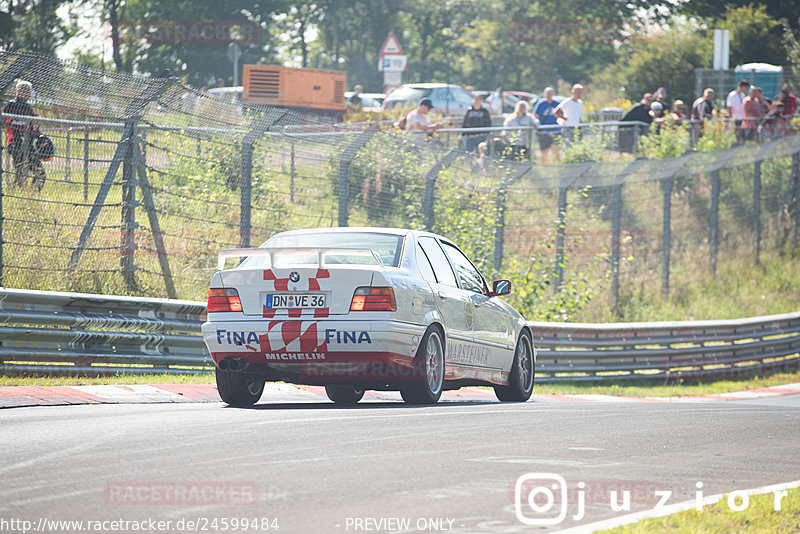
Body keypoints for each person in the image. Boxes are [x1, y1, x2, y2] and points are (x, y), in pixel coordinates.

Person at [3, 80, 46, 190]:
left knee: (40, 171)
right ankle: (17, 190)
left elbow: (33, 128)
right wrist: (22, 125)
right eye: (24, 91)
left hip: (28, 144)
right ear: (17, 91)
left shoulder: (28, 109)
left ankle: (33, 193)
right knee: (21, 168)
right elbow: (6, 122)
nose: (27, 93)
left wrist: (41, 137)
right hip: (14, 142)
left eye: (28, 91)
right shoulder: (10, 105)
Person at [533, 86, 561, 162]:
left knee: (556, 150)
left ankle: (557, 167)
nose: (549, 95)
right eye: (548, 93)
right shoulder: (540, 104)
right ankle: (545, 168)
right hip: (544, 132)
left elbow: (561, 114)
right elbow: (536, 115)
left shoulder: (557, 104)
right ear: (544, 94)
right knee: (544, 151)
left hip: (556, 130)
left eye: (551, 93)